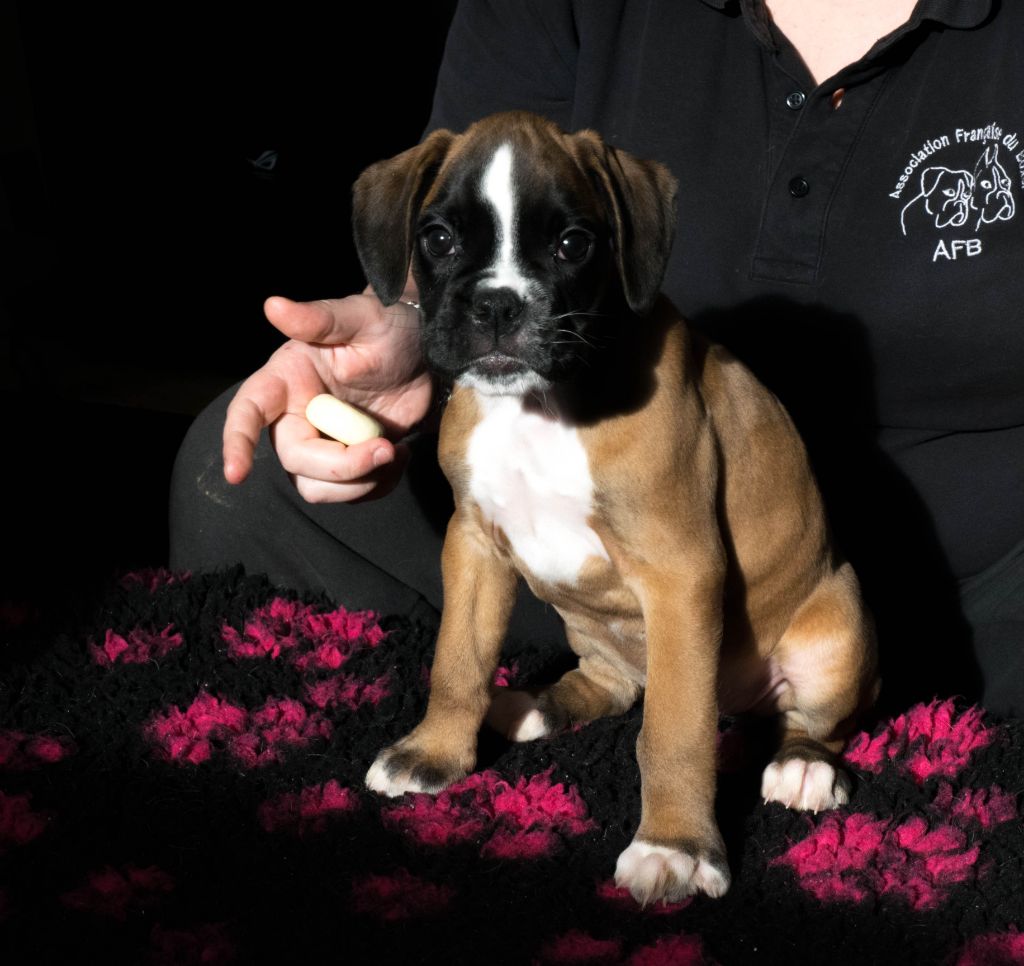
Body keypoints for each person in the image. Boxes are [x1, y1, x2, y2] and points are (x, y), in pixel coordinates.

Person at [170, 0, 1024, 716]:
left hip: (969, 580)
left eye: (574, 238)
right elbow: (470, 213)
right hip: (582, 548)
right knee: (245, 467)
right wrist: (403, 321)